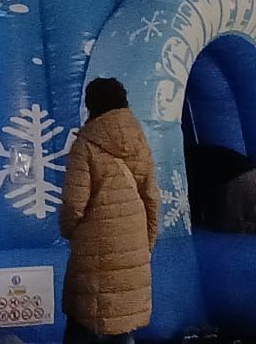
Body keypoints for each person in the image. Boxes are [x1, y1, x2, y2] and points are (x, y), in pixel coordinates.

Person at [59, 78, 160, 344]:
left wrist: (70, 231)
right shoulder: (139, 140)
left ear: (91, 104)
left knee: (84, 322)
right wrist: (146, 243)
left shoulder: (85, 144)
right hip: (134, 240)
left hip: (94, 247)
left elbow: (73, 203)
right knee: (121, 325)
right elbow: (151, 197)